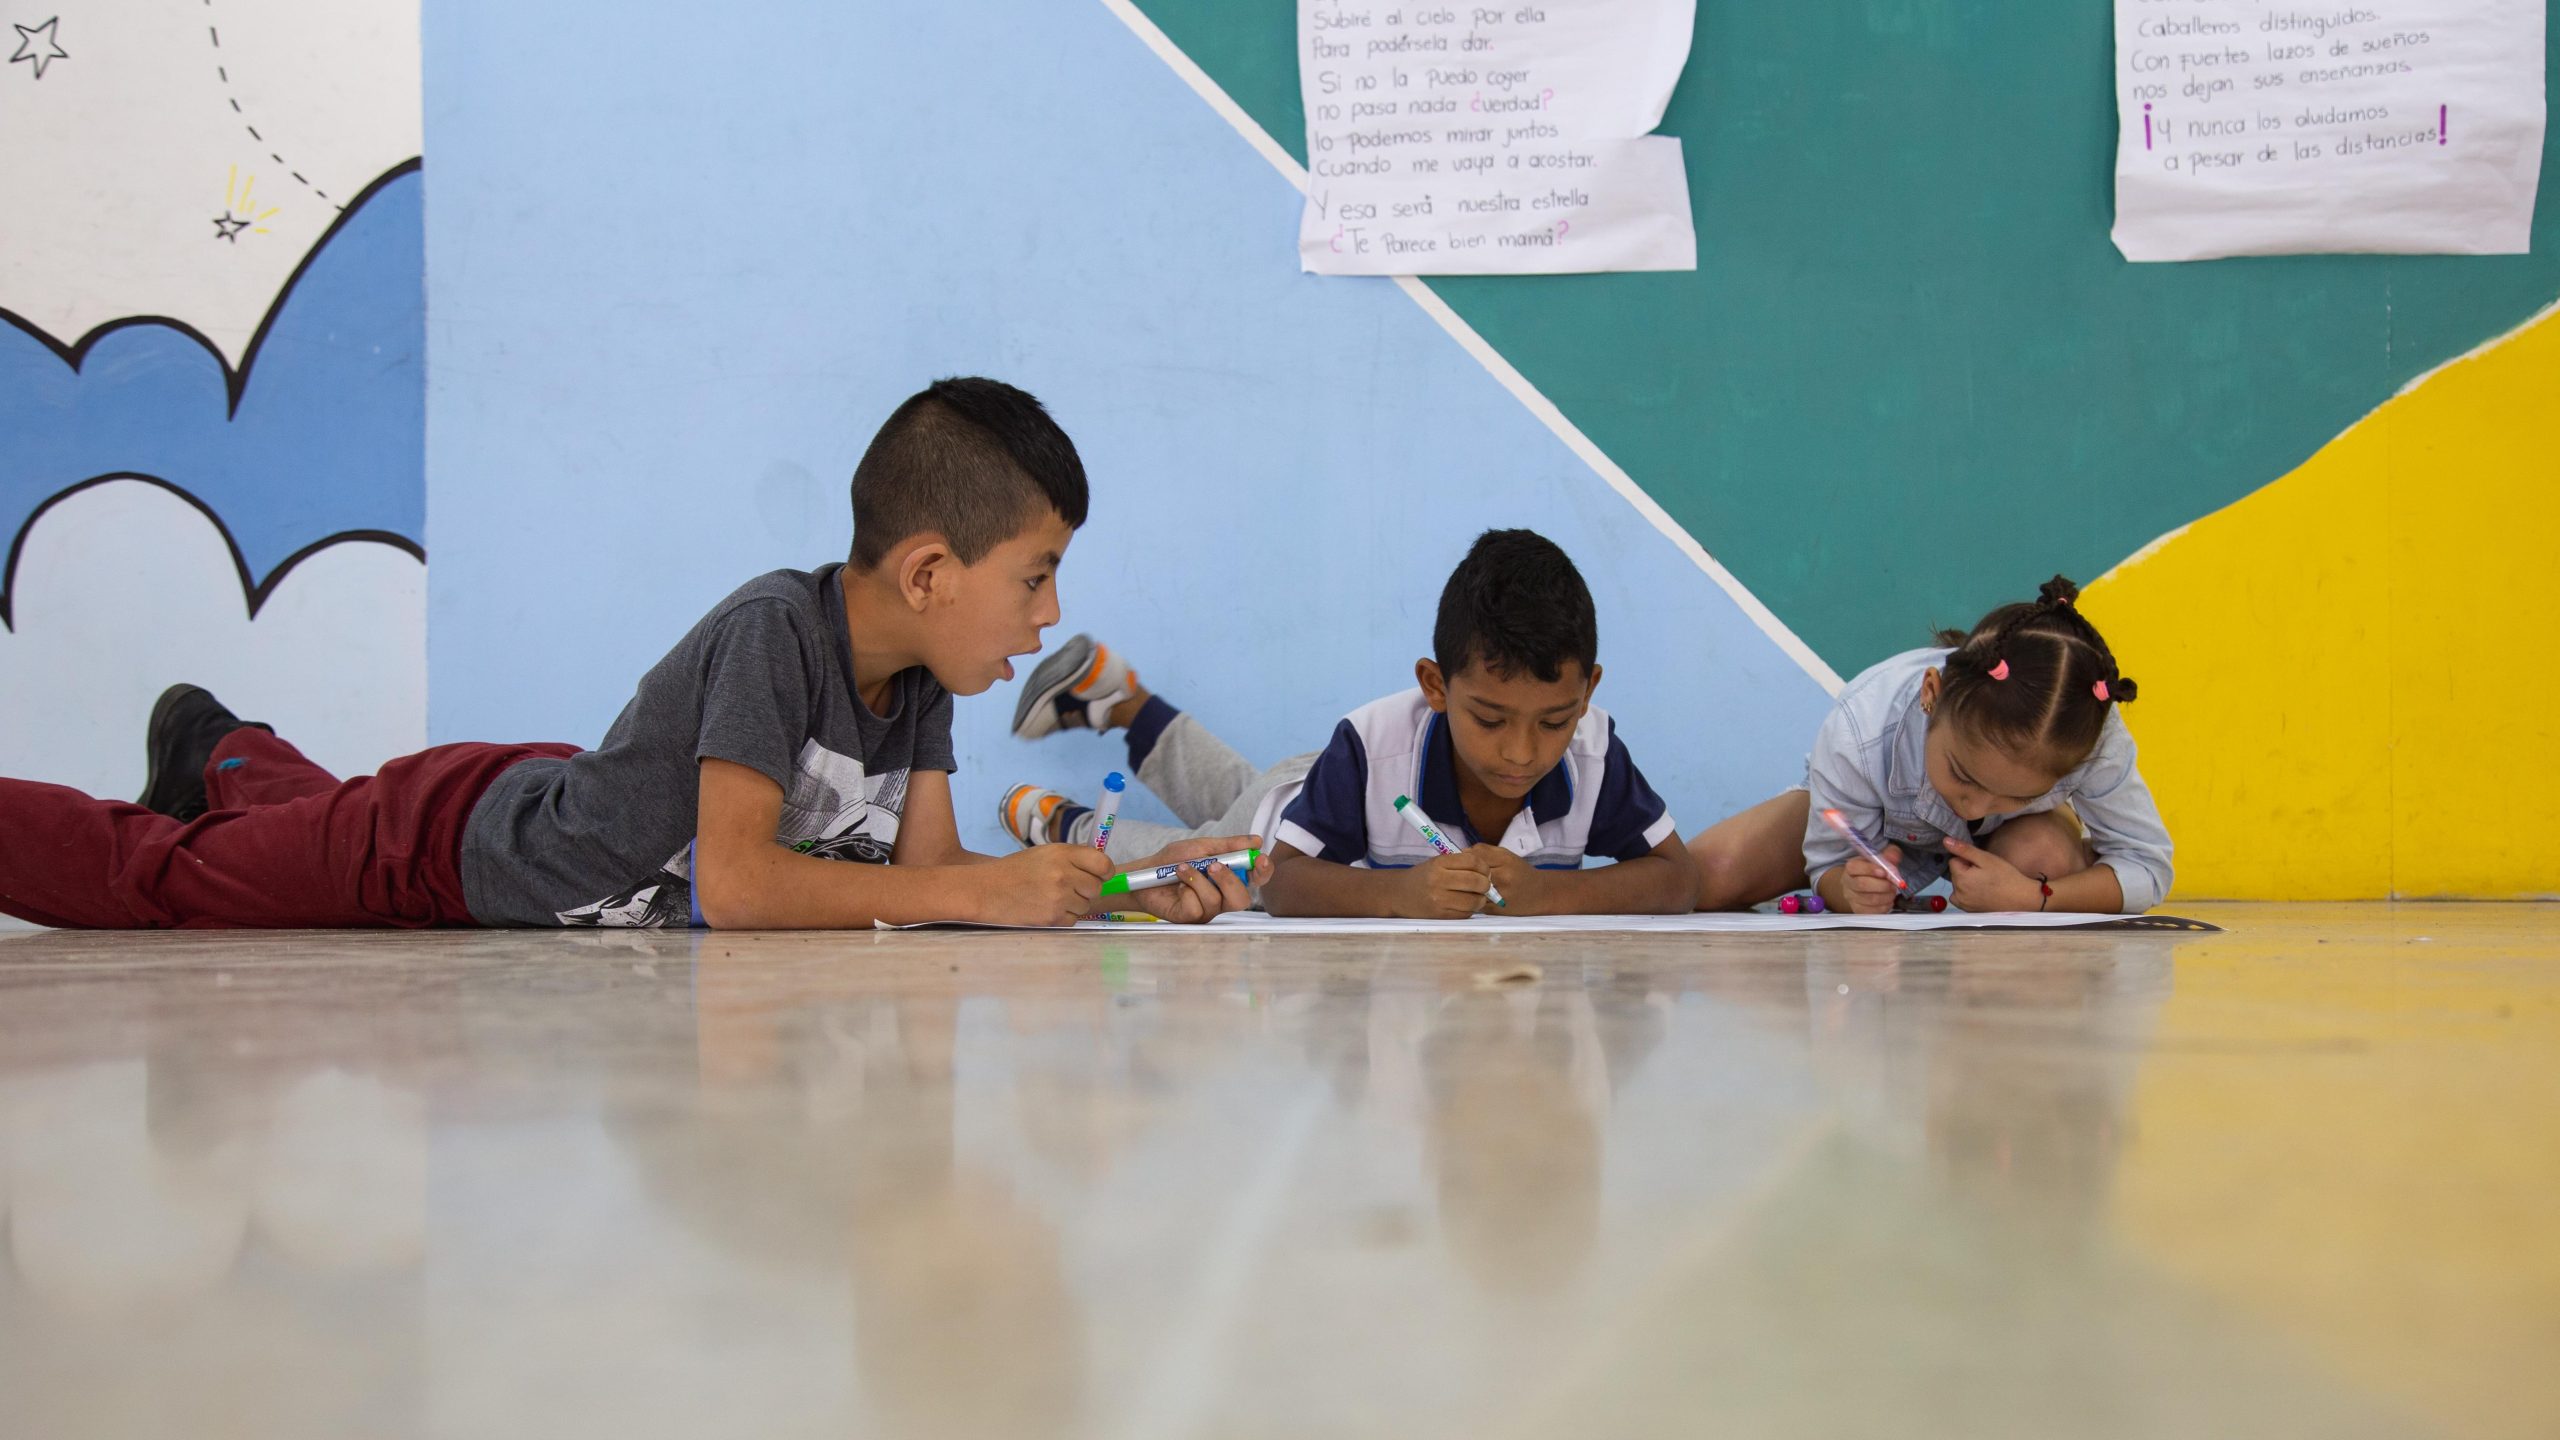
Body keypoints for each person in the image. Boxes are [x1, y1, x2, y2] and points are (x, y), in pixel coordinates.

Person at [0, 377, 1259, 930]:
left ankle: (222, 750)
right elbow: (739, 887)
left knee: (285, 830)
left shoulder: (924, 678)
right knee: (169, 883)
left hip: (569, 813)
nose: (1048, 617)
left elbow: (931, 874)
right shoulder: (777, 630)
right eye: (1035, 577)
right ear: (928, 572)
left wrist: (1119, 886)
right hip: (442, 846)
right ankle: (218, 763)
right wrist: (982, 894)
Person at [998, 529, 1697, 919]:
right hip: (1286, 820)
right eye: (1490, 718)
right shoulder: (1370, 745)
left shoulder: (1593, 751)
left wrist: (1550, 894)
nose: (1521, 752)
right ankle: (1066, 826)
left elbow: (1678, 879)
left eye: (1553, 722)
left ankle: (1124, 701)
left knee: (1241, 792)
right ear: (1435, 687)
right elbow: (1281, 882)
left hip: (1308, 790)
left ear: (1587, 693)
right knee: (1203, 856)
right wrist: (1400, 895)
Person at [1686, 576, 2171, 915]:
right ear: (1931, 694)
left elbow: (2147, 867)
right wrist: (1847, 890)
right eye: (1962, 773)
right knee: (1704, 877)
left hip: (2016, 846)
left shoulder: (2087, 734)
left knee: (2043, 860)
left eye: (2017, 795)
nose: (1973, 808)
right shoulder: (1861, 728)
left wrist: (2034, 897)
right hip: (1880, 828)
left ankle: (2045, 847)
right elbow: (1829, 865)